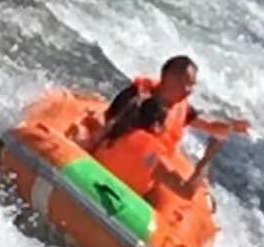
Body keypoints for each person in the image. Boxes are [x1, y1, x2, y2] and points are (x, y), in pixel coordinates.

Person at [90, 55, 250, 156]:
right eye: (186, 84)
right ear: (169, 78)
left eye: (192, 85)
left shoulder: (181, 108)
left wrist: (232, 126)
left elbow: (208, 124)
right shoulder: (136, 97)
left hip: (152, 165)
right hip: (119, 157)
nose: (189, 91)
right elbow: (107, 125)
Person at [94, 96, 222, 201]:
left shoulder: (116, 129)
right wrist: (207, 158)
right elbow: (187, 192)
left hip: (91, 182)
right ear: (156, 126)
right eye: (167, 123)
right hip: (111, 202)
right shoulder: (152, 155)